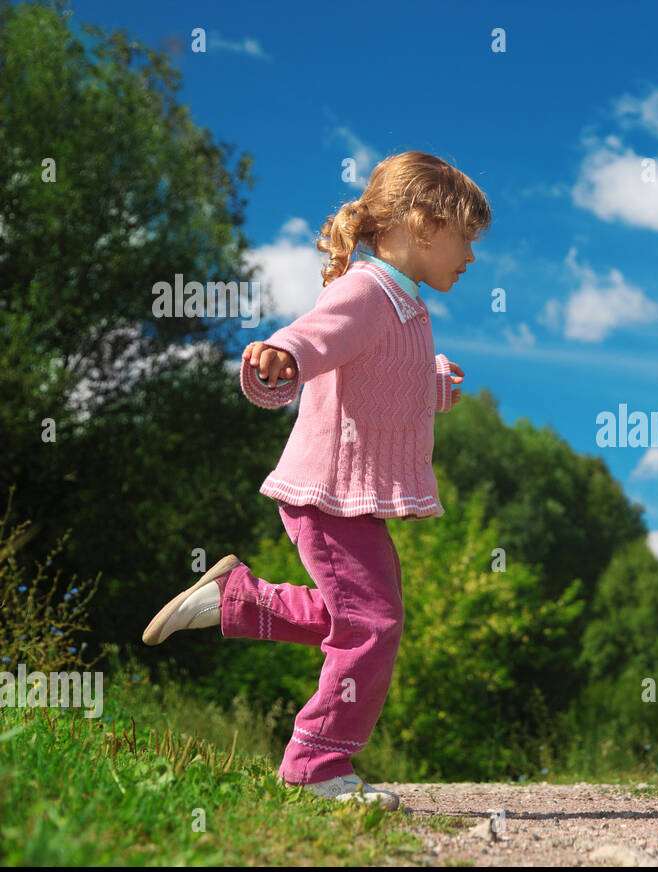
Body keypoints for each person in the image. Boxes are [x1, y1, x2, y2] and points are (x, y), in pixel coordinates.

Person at [141, 151, 491, 811]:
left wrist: (434, 381)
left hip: (350, 502)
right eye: (465, 235)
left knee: (354, 617)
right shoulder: (365, 292)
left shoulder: (405, 307)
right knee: (374, 622)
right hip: (324, 497)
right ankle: (315, 764)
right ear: (421, 223)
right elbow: (313, 338)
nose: (471, 253)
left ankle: (235, 601)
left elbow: (385, 375)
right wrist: (281, 357)